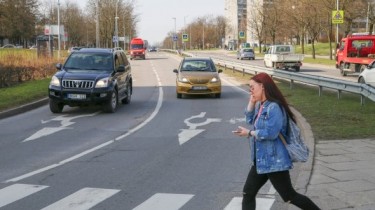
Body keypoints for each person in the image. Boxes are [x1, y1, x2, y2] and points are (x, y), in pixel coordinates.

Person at [232, 73, 320, 210]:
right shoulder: (263, 105)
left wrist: (249, 133)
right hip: (261, 161)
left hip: (274, 161)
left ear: (262, 86)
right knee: (248, 193)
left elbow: (271, 133)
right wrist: (252, 101)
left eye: (252, 87)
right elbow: (250, 120)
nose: (251, 90)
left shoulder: (274, 107)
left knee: (289, 196)